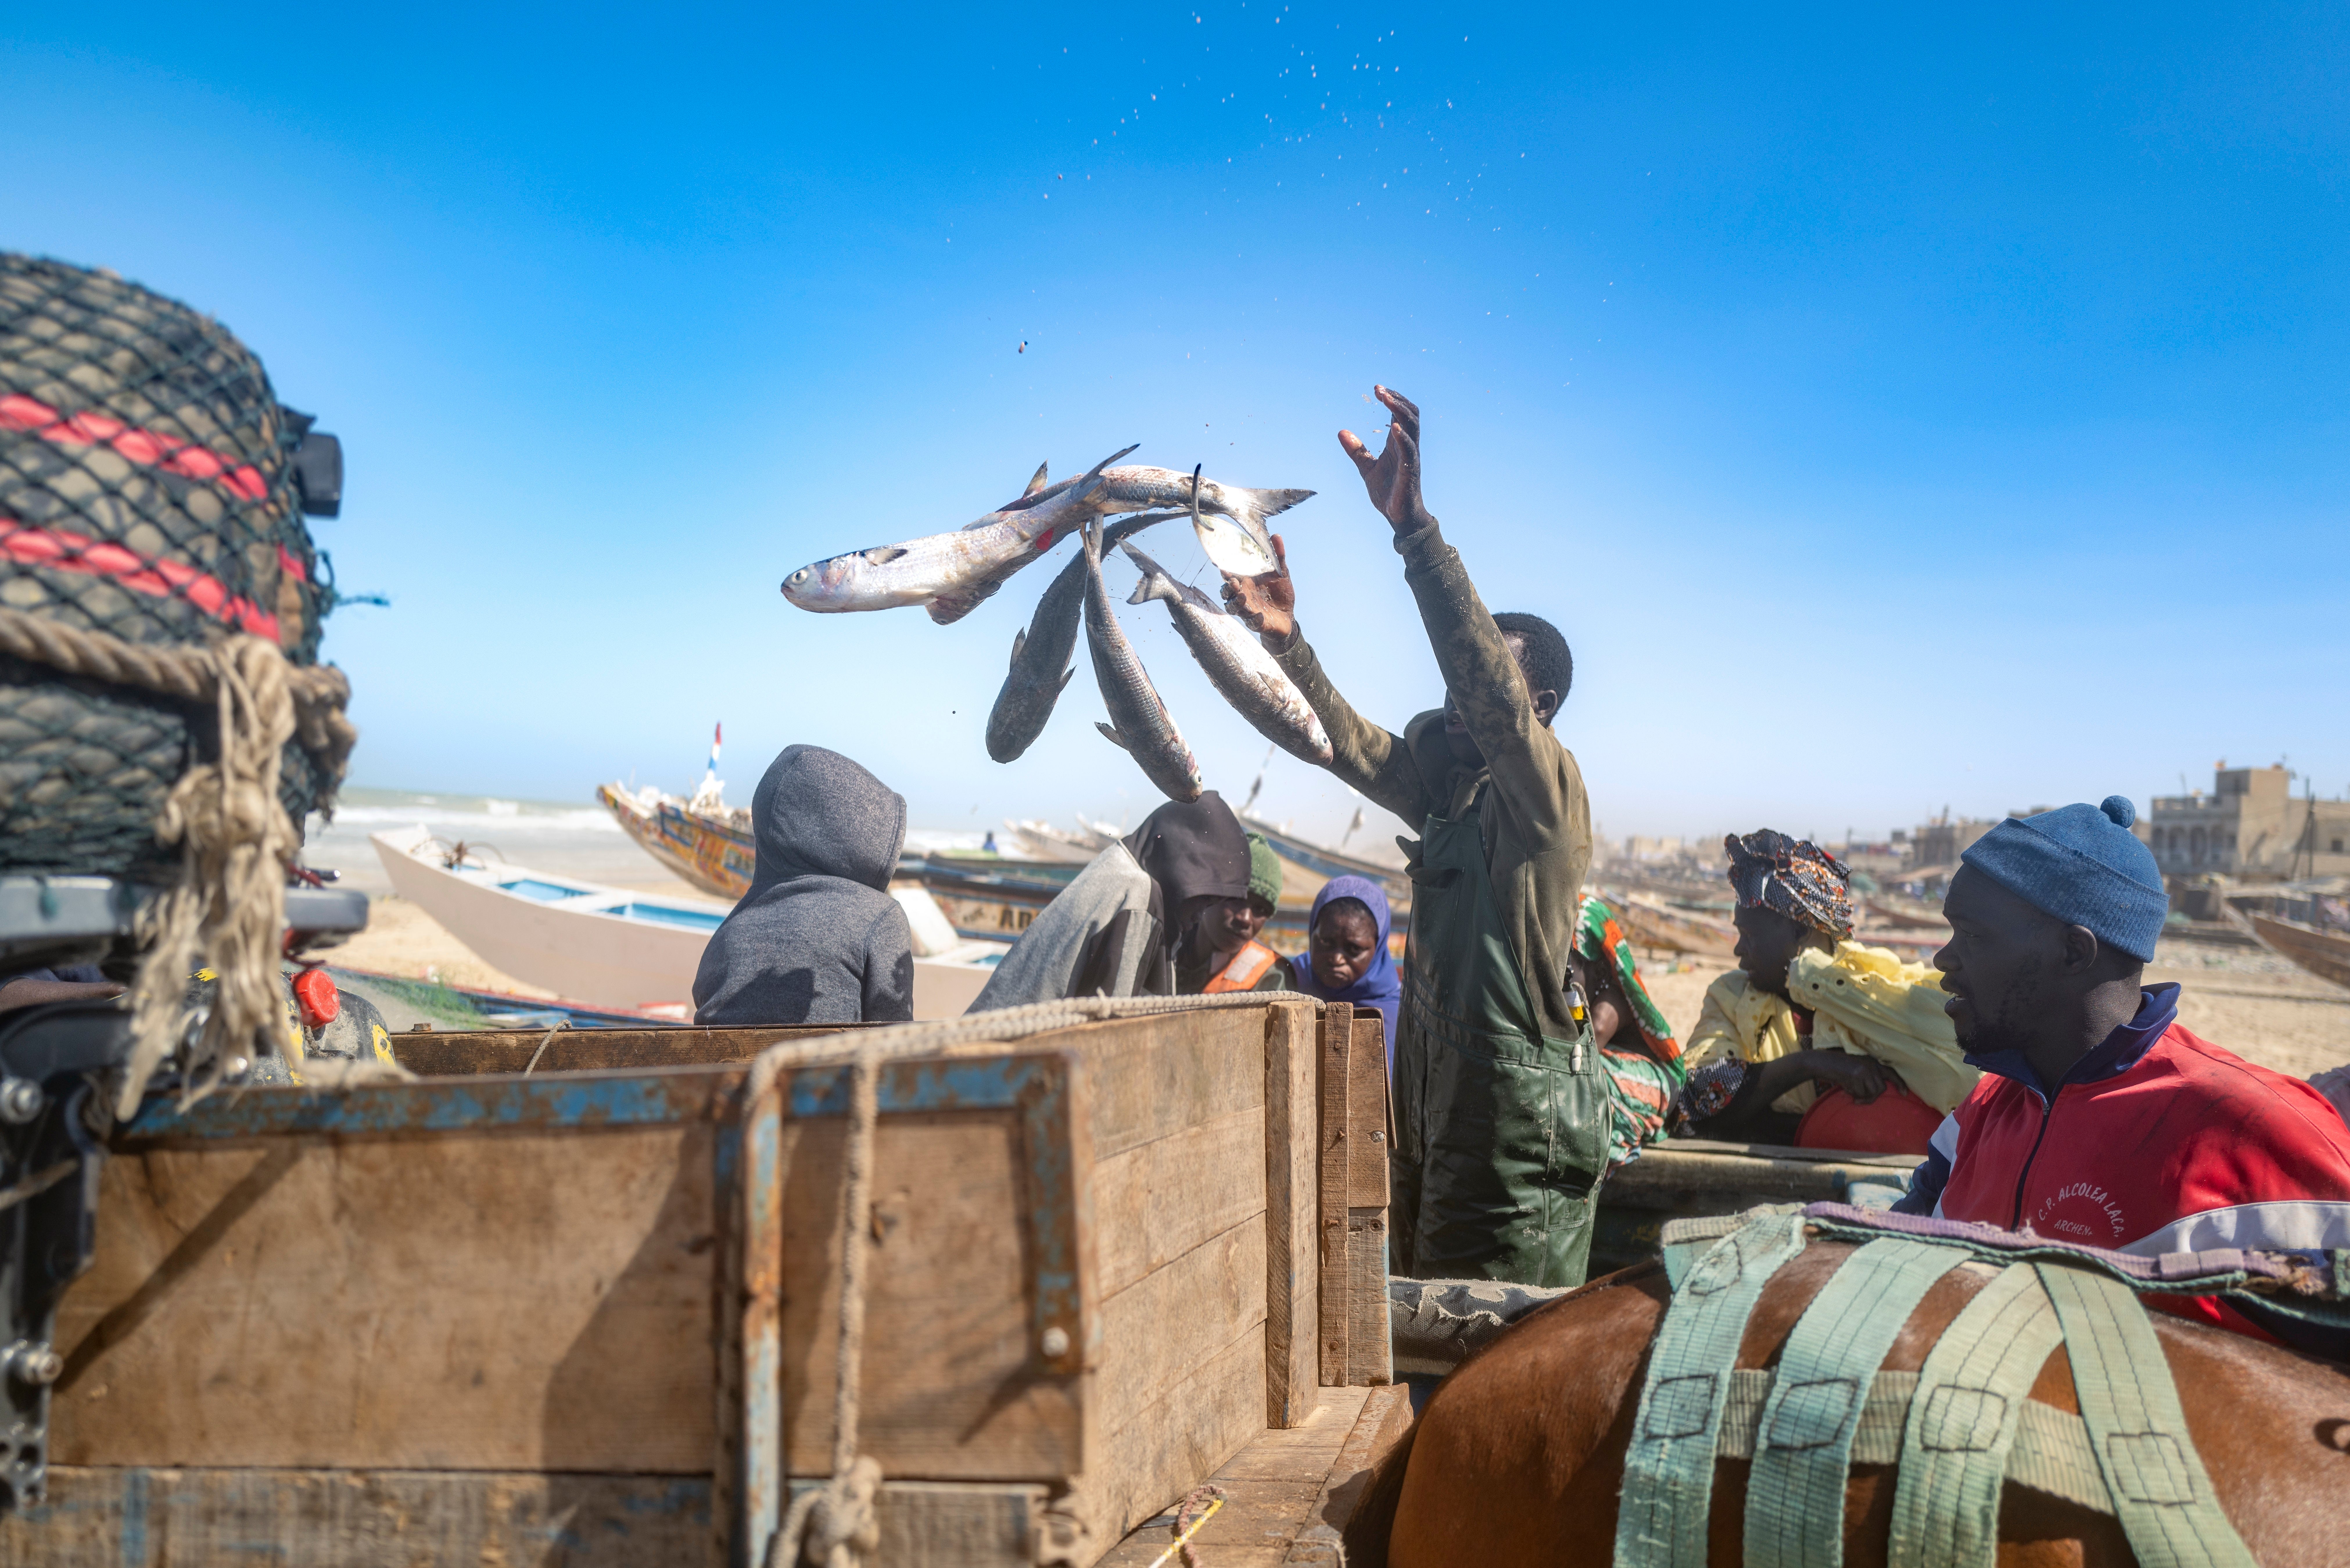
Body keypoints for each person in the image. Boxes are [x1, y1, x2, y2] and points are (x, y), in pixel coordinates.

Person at [1221, 385, 1599, 1287]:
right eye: (1452, 687)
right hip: (1435, 1113)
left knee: (1497, 1355)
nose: (1455, 701)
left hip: (1514, 1134)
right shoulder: (1451, 797)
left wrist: (1413, 531)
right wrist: (1286, 642)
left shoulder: (1544, 797)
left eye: (1482, 691)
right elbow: (1349, 747)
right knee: (1422, 1320)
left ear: (1533, 709)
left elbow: (1487, 694)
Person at [1895, 796, 2350, 1352]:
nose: (1944, 959)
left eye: (1974, 936)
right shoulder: (1985, 1112)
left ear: (2073, 952)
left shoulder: (2252, 1129)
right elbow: (1898, 1243)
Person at [1674, 830, 1975, 1153]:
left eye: (1748, 935)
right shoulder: (1730, 996)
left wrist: (1812, 977)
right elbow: (1695, 1095)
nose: (1738, 950)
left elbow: (1965, 1065)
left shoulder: (1871, 987)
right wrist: (1810, 1064)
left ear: (1800, 930)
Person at [693, 745, 915, 1026]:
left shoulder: (727, 934)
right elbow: (897, 1044)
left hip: (722, 1070)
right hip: (828, 1071)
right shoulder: (880, 919)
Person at [973, 792, 1251, 1010]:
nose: (1200, 916)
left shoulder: (1118, 867)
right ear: (1187, 869)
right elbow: (1114, 1026)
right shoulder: (1138, 893)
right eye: (1203, 900)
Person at [1572, 896, 1686, 1167]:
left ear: (1599, 968)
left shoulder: (1611, 1004)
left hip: (1657, 1085)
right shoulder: (1581, 994)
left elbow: (1584, 1056)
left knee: (1581, 1081)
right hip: (1612, 1066)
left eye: (1567, 967)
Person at [1288, 876, 1404, 1064]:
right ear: (1312, 933)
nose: (1337, 959)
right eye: (1326, 942)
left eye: (1354, 950)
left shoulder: (1394, 1017)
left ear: (1378, 947)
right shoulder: (1290, 982)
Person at [1178, 834, 1291, 994]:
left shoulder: (1272, 977)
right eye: (1236, 899)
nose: (1245, 919)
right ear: (1208, 892)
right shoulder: (1166, 944)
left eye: (1261, 910)